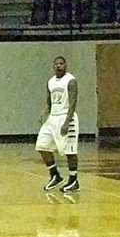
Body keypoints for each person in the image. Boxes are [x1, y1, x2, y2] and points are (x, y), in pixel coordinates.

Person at [37, 55, 80, 194]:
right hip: (52, 118)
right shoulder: (50, 82)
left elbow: (73, 103)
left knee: (69, 151)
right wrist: (45, 113)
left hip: (66, 117)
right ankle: (55, 175)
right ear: (53, 66)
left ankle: (73, 180)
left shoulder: (71, 81)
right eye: (56, 64)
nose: (58, 66)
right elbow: (49, 101)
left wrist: (67, 121)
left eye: (61, 63)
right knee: (42, 146)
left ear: (65, 65)